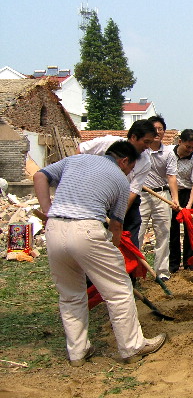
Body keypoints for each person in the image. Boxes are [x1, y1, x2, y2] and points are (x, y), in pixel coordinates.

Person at [34, 140, 166, 365]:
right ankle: (132, 347)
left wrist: (48, 211)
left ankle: (78, 352)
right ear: (124, 161)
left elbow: (39, 176)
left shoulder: (74, 160)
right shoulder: (120, 181)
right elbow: (116, 224)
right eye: (130, 168)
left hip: (54, 229)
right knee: (119, 291)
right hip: (87, 230)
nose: (129, 173)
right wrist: (115, 247)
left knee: (70, 295)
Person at [77, 120, 156, 248]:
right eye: (146, 142)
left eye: (150, 143)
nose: (148, 146)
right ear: (133, 137)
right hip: (98, 197)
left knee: (129, 239)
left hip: (125, 200)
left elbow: (132, 192)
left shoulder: (145, 161)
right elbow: (80, 150)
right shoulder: (108, 142)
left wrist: (118, 217)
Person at [137, 116, 179, 281]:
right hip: (141, 195)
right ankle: (134, 272)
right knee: (138, 233)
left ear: (164, 132)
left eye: (160, 129)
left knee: (163, 234)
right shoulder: (141, 150)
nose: (157, 132)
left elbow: (171, 177)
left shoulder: (168, 153)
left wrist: (175, 199)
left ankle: (162, 272)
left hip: (161, 195)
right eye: (154, 129)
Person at [170, 129, 193, 272]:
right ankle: (173, 264)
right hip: (172, 194)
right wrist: (174, 199)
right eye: (188, 147)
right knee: (173, 229)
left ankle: (190, 262)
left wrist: (189, 206)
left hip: (189, 194)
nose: (190, 150)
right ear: (180, 142)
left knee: (190, 228)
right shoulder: (169, 154)